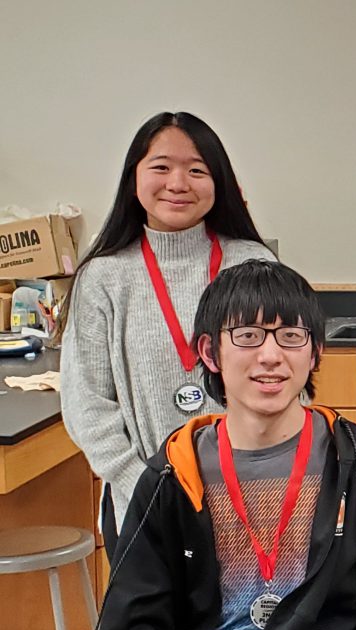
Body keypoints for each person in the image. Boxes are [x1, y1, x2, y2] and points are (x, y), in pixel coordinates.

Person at [97, 260, 356, 630]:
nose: (270, 356)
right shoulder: (171, 475)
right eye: (248, 336)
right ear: (210, 352)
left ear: (315, 353)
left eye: (290, 336)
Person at [60, 112, 276, 558]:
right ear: (133, 178)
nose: (178, 183)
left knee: (253, 627)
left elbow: (286, 380)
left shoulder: (252, 264)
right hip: (142, 509)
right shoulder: (104, 278)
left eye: (197, 169)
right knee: (151, 629)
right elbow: (87, 402)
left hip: (251, 503)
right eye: (160, 167)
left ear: (219, 182)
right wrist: (141, 486)